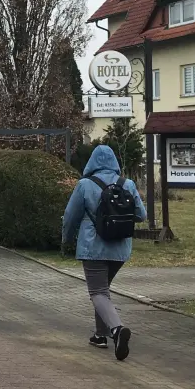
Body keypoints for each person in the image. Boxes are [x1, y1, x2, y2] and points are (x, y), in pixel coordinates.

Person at [61, 145, 147, 361]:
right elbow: (141, 215)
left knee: (98, 292)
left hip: (93, 248)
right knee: (103, 291)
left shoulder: (84, 185)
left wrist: (66, 240)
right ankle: (100, 335)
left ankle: (117, 330)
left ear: (91, 162)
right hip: (120, 249)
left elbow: (70, 216)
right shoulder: (127, 184)